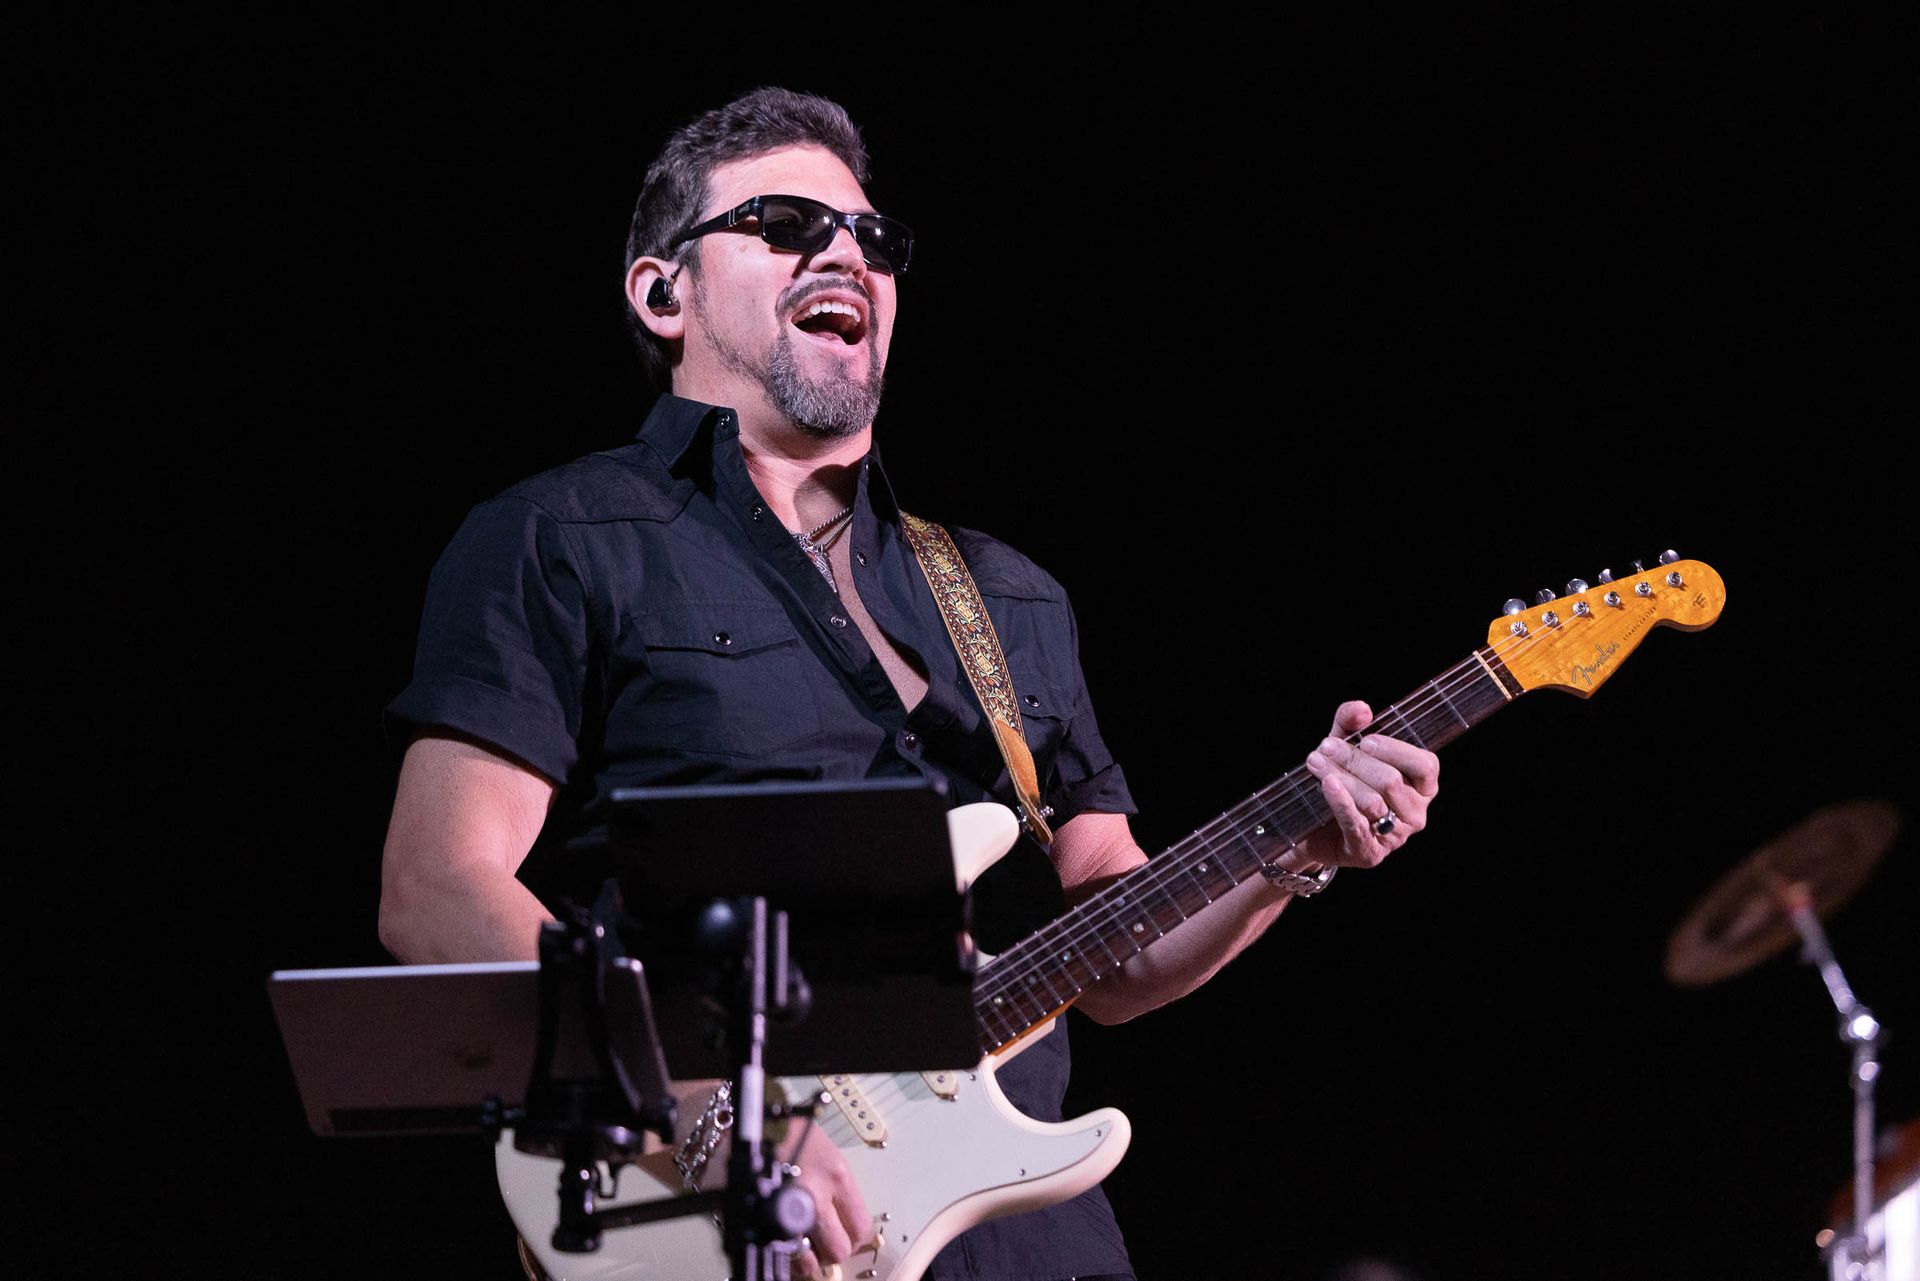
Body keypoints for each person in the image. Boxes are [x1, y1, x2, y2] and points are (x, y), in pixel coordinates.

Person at [379, 86, 1440, 1281]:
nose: (845, 252)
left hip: (1028, 1241)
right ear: (662, 293)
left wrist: (1292, 850)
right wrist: (707, 1109)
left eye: (872, 238)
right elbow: (436, 886)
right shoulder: (563, 539)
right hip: (724, 1217)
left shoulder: (1009, 598)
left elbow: (1120, 955)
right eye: (785, 224)